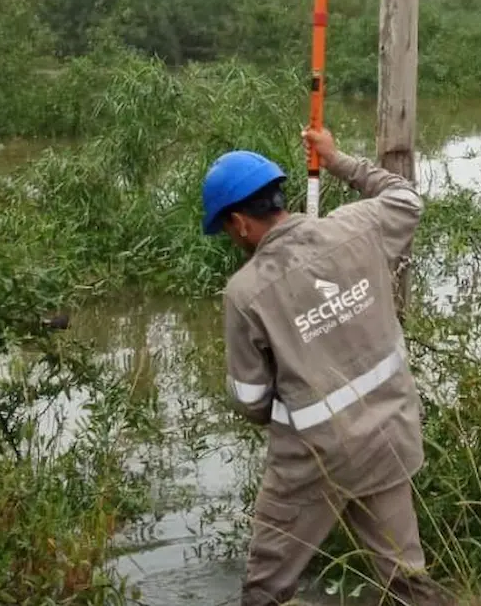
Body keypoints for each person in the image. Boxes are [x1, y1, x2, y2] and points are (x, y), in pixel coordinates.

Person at [200, 127, 451, 606]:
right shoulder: (356, 227)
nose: (232, 239)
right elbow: (406, 198)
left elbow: (251, 401)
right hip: (388, 436)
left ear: (241, 222)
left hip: (313, 460)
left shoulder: (246, 292)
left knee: (266, 589)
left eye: (228, 230)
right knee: (406, 580)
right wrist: (338, 160)